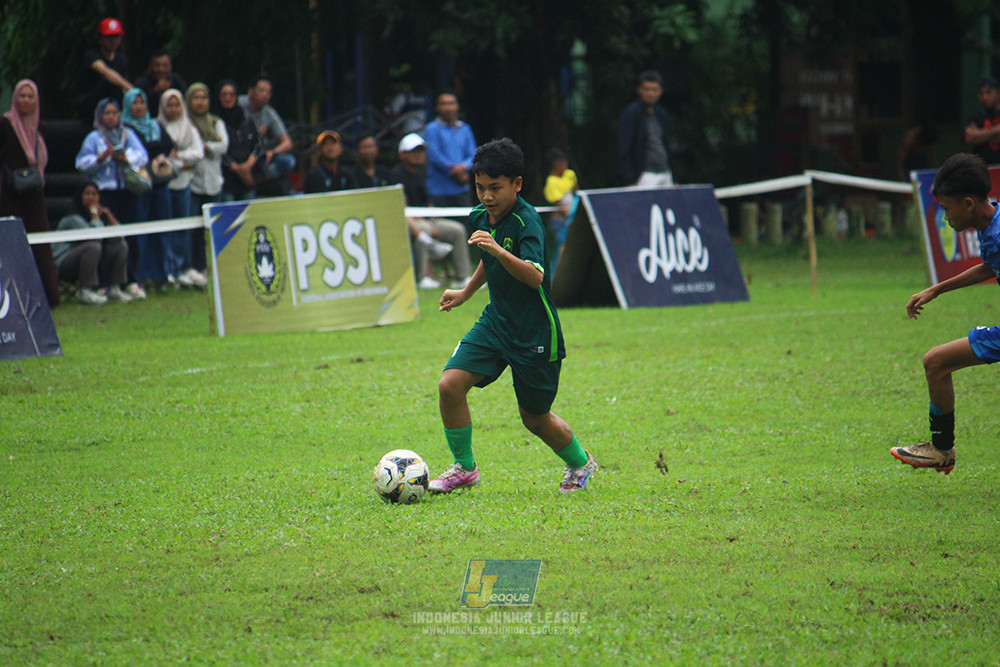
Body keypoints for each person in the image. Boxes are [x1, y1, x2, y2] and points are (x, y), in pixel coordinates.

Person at [430, 138, 597, 494]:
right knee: (449, 385)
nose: (487, 197)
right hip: (497, 322)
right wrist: (465, 292)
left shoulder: (528, 221)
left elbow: (534, 276)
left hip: (535, 332)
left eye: (495, 188)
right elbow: (488, 260)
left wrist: (497, 251)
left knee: (535, 419)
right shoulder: (480, 216)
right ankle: (464, 467)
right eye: (480, 187)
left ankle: (580, 462)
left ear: (516, 184)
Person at [891, 153, 1000, 475]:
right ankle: (941, 449)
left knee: (936, 361)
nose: (944, 217)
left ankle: (941, 450)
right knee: (936, 361)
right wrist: (936, 289)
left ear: (967, 203)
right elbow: (990, 267)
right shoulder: (991, 224)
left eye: (946, 208)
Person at [0, 79, 60, 307]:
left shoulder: (39, 127)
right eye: (22, 96)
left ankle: (47, 297)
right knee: (12, 244)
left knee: (40, 245)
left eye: (30, 96)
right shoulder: (5, 125)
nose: (26, 101)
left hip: (34, 193)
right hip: (11, 194)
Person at [388, 132, 470, 289]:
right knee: (424, 230)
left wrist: (433, 219)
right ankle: (423, 277)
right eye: (414, 151)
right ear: (402, 155)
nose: (419, 155)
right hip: (406, 220)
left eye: (421, 151)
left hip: (426, 219)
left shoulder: (423, 172)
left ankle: (463, 276)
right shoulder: (395, 175)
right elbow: (400, 207)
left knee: (457, 230)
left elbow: (427, 203)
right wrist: (426, 223)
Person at [75, 98, 148, 253]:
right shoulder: (94, 138)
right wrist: (100, 159)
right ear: (100, 115)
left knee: (131, 235)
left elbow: (142, 156)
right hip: (104, 192)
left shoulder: (127, 135)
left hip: (126, 190)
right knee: (109, 236)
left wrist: (126, 158)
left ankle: (131, 274)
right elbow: (81, 163)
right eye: (107, 113)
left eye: (114, 113)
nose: (111, 117)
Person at [121, 87, 173, 292]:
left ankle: (161, 275)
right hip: (139, 185)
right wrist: (154, 151)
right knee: (140, 231)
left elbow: (167, 145)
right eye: (135, 103)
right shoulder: (125, 129)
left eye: (142, 102)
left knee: (161, 231)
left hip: (160, 183)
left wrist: (156, 153)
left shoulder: (155, 125)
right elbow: (140, 150)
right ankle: (142, 276)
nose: (139, 107)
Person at [52, 182, 132, 305]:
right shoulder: (73, 218)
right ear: (80, 197)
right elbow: (94, 237)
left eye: (94, 194)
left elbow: (119, 237)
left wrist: (108, 216)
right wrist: (95, 217)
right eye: (87, 194)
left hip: (92, 260)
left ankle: (114, 289)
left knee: (120, 246)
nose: (91, 197)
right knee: (93, 247)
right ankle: (85, 291)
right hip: (65, 262)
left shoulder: (100, 217)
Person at [157, 88, 206, 288]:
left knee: (183, 229)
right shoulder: (158, 127)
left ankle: (182, 267)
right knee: (166, 227)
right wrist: (183, 161)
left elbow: (198, 154)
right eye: (170, 105)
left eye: (177, 105)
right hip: (164, 184)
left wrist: (177, 159)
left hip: (184, 184)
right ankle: (168, 269)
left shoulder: (189, 128)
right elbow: (159, 155)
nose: (174, 109)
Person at [186, 83, 229, 275]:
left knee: (213, 230)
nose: (200, 102)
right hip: (193, 184)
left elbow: (224, 146)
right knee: (193, 231)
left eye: (204, 98)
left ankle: (212, 266)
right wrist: (206, 147)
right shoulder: (186, 123)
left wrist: (205, 147)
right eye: (196, 98)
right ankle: (194, 267)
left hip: (214, 183)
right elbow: (189, 150)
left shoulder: (216, 122)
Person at [617, 70, 673, 187]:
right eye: (647, 89)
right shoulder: (631, 114)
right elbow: (624, 147)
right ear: (639, 90)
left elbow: (667, 144)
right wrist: (629, 179)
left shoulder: (662, 114)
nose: (650, 94)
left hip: (665, 172)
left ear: (660, 91)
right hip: (644, 175)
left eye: (654, 90)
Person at [239, 76, 295, 194]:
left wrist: (272, 152)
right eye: (261, 90)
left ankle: (257, 179)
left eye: (268, 92)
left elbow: (287, 142)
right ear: (250, 91)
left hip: (257, 154)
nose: (265, 95)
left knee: (288, 161)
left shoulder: (269, 112)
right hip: (239, 153)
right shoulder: (239, 105)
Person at [423, 91, 477, 207]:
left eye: (451, 103)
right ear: (437, 108)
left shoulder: (465, 128)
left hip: (461, 188)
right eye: (444, 104)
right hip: (439, 189)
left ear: (457, 107)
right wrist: (456, 172)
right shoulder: (431, 129)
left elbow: (473, 155)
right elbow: (434, 155)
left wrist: (464, 167)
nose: (448, 107)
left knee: (465, 223)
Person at [215, 79, 264, 201]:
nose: (227, 98)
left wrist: (248, 166)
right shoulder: (214, 120)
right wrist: (238, 169)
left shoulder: (245, 118)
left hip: (248, 177)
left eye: (231, 95)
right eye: (224, 95)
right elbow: (217, 150)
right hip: (227, 178)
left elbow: (260, 143)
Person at [76, 17, 133, 120]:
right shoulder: (92, 55)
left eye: (116, 37)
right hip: (92, 104)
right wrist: (129, 87)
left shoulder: (121, 59)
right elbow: (104, 71)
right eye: (109, 37)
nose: (113, 41)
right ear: (100, 39)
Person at [542, 148, 579, 275]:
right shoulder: (551, 182)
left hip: (571, 216)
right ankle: (555, 275)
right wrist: (571, 219)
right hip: (561, 220)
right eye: (562, 163)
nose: (564, 166)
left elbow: (576, 191)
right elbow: (559, 204)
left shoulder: (569, 175)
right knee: (561, 249)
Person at [134, 51, 188, 119]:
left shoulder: (177, 81)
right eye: (157, 66)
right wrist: (155, 92)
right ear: (150, 66)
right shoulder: (141, 83)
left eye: (165, 66)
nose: (161, 69)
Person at [963, 77, 1000, 166]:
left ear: (998, 93)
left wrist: (980, 134)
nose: (985, 97)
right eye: (981, 93)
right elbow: (970, 137)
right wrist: (997, 130)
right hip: (983, 168)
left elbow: (976, 136)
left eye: (988, 92)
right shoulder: (975, 117)